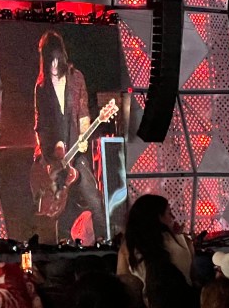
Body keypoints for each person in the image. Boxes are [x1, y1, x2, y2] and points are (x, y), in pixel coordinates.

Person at [30, 30, 108, 243]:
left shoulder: (76, 78)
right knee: (57, 206)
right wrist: (47, 160)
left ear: (62, 56)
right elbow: (40, 124)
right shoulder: (42, 86)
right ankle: (61, 245)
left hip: (75, 148)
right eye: (50, 61)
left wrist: (83, 138)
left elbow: (83, 113)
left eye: (57, 60)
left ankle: (107, 239)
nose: (54, 66)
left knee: (93, 196)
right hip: (53, 156)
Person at [117, 194, 195, 306]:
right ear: (159, 217)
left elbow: (124, 283)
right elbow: (193, 276)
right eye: (169, 213)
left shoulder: (128, 247)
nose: (173, 217)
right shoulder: (184, 242)